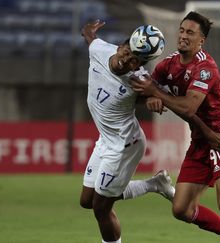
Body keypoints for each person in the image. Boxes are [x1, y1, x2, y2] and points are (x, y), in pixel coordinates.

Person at [131, 12, 220, 243]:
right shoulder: (168, 64)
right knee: (181, 209)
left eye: (190, 33)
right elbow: (146, 88)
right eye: (182, 30)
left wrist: (156, 93)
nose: (183, 36)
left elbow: (187, 108)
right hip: (200, 142)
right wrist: (149, 98)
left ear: (201, 40)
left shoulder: (206, 68)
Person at [78, 20, 176, 243]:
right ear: (121, 45)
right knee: (87, 200)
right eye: (128, 52)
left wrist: (154, 98)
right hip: (106, 139)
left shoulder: (138, 80)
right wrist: (89, 30)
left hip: (124, 145)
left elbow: (158, 95)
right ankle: (154, 184)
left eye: (135, 61)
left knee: (101, 207)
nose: (128, 60)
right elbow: (89, 37)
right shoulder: (100, 49)